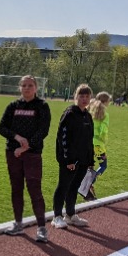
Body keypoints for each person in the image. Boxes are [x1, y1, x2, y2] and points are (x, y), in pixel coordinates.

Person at [0, 75, 51, 241]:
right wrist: (17, 137)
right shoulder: (13, 106)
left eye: (30, 85)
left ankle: (41, 228)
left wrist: (26, 146)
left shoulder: (42, 106)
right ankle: (18, 224)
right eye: (24, 85)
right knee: (16, 189)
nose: (27, 88)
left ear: (36, 88)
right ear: (20, 88)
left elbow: (43, 130)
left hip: (32, 155)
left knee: (35, 190)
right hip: (13, 154)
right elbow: (1, 127)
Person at [52, 84, 94, 229]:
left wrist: (90, 159)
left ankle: (70, 215)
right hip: (70, 160)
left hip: (83, 160)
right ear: (76, 97)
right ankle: (57, 216)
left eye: (87, 96)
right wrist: (68, 160)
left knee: (74, 187)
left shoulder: (87, 116)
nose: (84, 99)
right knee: (63, 186)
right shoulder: (69, 114)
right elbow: (62, 138)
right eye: (81, 96)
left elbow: (89, 139)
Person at [86, 91, 111, 201]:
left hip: (88, 142)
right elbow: (103, 131)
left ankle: (87, 186)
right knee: (103, 165)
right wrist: (103, 143)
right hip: (98, 145)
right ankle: (89, 183)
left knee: (89, 166)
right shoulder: (104, 114)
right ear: (105, 102)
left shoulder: (90, 110)